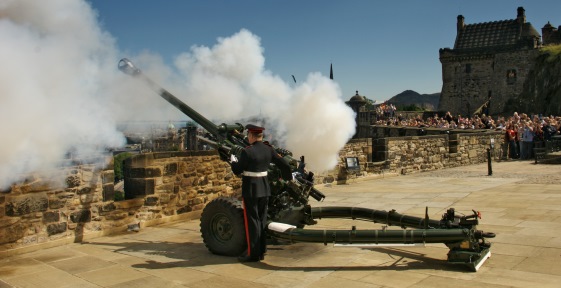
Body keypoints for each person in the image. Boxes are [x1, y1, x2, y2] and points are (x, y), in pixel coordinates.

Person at [230, 124, 292, 262]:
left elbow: (237, 170)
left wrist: (233, 162)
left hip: (251, 189)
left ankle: (253, 254)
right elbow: (285, 164)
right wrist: (288, 178)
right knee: (262, 220)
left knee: (252, 221)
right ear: (261, 136)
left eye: (248, 135)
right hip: (265, 188)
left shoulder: (247, 151)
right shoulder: (268, 149)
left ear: (251, 136)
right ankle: (262, 250)